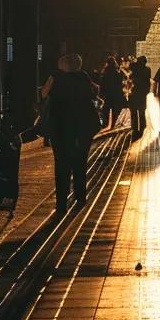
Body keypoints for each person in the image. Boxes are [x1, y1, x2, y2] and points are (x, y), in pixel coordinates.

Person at [44, 53, 99, 212]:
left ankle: (61, 202)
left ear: (62, 65)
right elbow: (95, 92)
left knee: (61, 164)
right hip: (82, 127)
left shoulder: (55, 77)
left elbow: (43, 93)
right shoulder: (83, 76)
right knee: (80, 162)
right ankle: (80, 198)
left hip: (60, 127)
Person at [98, 56, 125, 129]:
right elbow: (120, 84)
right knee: (114, 110)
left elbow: (102, 84)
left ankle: (105, 124)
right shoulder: (117, 72)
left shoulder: (105, 72)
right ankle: (112, 124)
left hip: (107, 94)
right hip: (115, 94)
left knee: (106, 109)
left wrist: (100, 93)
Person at [128, 55, 151, 139]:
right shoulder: (147, 70)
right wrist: (147, 91)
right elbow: (148, 82)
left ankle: (134, 128)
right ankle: (142, 126)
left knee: (134, 111)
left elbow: (129, 71)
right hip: (142, 93)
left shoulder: (134, 69)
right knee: (141, 111)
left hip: (134, 92)